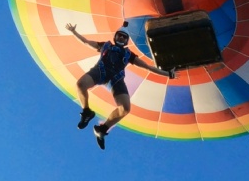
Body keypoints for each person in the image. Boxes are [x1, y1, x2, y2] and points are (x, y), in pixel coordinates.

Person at [65, 22, 177, 150]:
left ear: (127, 40)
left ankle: (102, 129)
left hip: (115, 79)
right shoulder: (105, 46)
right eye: (120, 36)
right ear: (115, 37)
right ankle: (86, 112)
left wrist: (168, 74)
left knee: (125, 109)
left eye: (124, 37)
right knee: (80, 85)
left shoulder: (129, 55)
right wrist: (74, 32)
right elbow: (86, 42)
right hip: (100, 71)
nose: (122, 38)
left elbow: (147, 67)